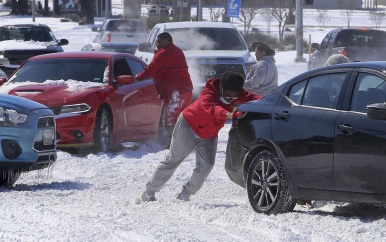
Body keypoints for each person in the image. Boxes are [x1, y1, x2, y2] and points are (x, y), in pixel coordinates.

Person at [140, 71, 262, 202]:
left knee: (207, 165)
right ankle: (149, 193)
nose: (230, 99)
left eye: (234, 97)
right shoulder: (208, 93)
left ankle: (185, 195)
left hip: (209, 134)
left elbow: (256, 98)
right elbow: (212, 107)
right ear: (221, 87)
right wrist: (227, 114)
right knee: (173, 160)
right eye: (228, 95)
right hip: (188, 127)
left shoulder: (239, 93)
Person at [135, 32, 193, 141]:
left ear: (166, 42)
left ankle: (174, 144)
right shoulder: (178, 51)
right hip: (187, 89)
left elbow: (151, 69)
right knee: (183, 118)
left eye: (159, 42)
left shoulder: (163, 53)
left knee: (172, 119)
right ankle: (185, 142)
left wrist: (138, 78)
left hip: (175, 90)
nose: (157, 45)